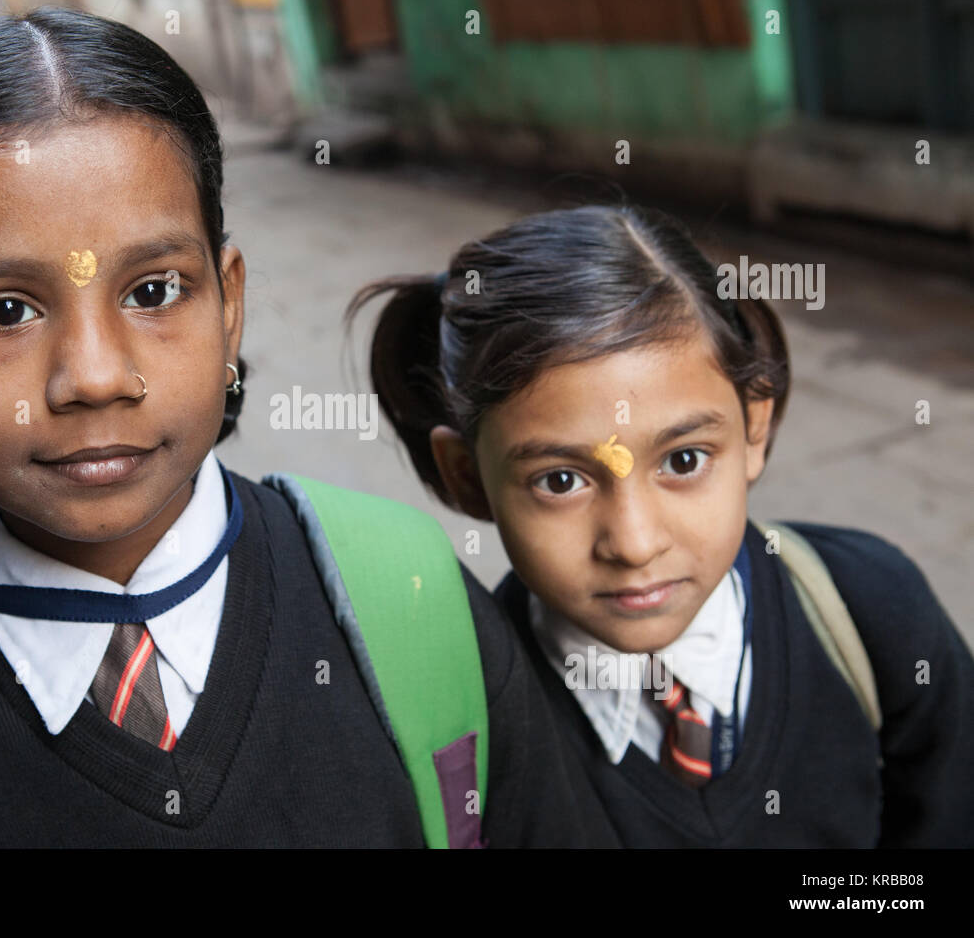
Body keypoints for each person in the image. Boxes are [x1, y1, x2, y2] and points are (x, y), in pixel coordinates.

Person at [0, 9, 614, 849]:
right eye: (6, 309)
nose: (93, 376)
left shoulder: (410, 597)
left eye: (153, 291)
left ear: (229, 304)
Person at [349, 203, 974, 846]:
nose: (636, 543)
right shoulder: (470, 720)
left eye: (683, 460)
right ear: (466, 476)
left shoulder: (873, 614)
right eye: (560, 480)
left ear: (754, 427)